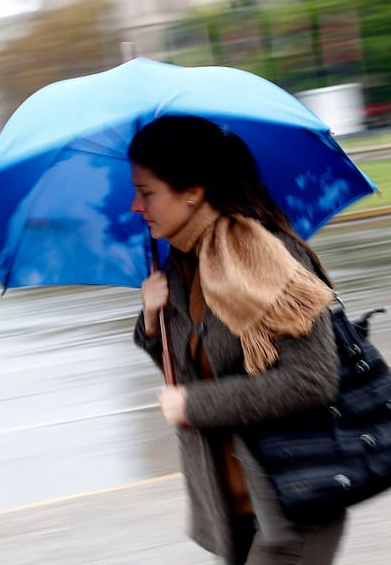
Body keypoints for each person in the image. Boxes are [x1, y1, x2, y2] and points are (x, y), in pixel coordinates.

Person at [129, 116, 347, 565]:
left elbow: (313, 379)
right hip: (234, 510)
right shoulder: (180, 268)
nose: (135, 205)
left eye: (147, 192)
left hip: (293, 498)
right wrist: (152, 320)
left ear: (192, 191)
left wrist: (194, 405)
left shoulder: (269, 259)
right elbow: (192, 369)